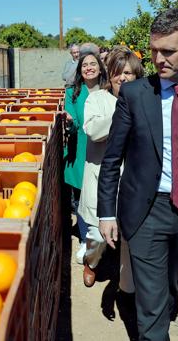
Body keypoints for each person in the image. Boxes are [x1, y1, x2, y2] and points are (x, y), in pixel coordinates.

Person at [98, 8, 178, 340]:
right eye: (154, 50)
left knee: (169, 282)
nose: (158, 59)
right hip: (146, 211)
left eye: (168, 51)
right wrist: (107, 213)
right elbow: (112, 158)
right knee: (153, 306)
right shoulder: (136, 94)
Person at [79, 46, 144, 289]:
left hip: (132, 184)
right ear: (110, 76)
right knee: (96, 235)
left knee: (128, 237)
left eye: (128, 73)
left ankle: (127, 290)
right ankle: (91, 262)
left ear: (137, 76)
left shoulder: (145, 103)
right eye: (117, 73)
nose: (123, 78)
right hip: (100, 181)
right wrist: (124, 109)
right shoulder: (97, 99)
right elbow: (94, 131)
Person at [64, 51, 107, 264]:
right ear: (79, 70)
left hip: (106, 151)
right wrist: (70, 122)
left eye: (93, 64)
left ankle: (104, 236)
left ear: (100, 68)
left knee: (103, 195)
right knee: (82, 198)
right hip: (81, 150)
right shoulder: (72, 93)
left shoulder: (110, 91)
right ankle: (85, 239)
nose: (89, 67)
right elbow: (72, 125)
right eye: (84, 65)